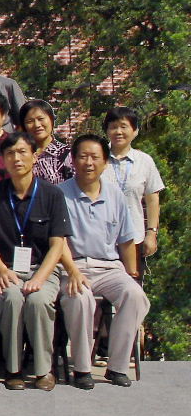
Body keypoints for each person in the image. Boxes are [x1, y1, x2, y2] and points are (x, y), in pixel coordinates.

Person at [58, 134, 150, 389]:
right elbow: (58, 241)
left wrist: (132, 274)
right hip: (72, 266)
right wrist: (72, 271)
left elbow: (126, 240)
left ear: (105, 162)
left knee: (135, 296)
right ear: (73, 160)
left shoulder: (115, 195)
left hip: (109, 267)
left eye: (95, 157)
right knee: (80, 299)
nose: (88, 162)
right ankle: (82, 368)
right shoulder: (60, 194)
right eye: (83, 156)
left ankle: (117, 366)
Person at [0, 132, 72, 391]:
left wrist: (39, 278)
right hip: (7, 269)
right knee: (11, 298)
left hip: (42, 269)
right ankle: (13, 369)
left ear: (35, 156)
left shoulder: (52, 194)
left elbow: (57, 245)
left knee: (38, 300)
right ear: (3, 160)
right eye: (10, 153)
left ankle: (44, 369)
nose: (17, 158)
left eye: (22, 152)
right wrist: (1, 269)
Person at [103, 106, 164, 256]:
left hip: (134, 238)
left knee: (134, 272)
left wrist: (151, 233)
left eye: (124, 126)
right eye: (113, 127)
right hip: (101, 239)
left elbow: (152, 200)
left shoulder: (144, 161)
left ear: (135, 131)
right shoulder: (98, 158)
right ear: (107, 131)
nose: (118, 132)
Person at [20, 99, 73, 186]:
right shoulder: (19, 154)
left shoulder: (67, 154)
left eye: (41, 119)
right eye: (30, 121)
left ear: (51, 120)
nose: (37, 125)